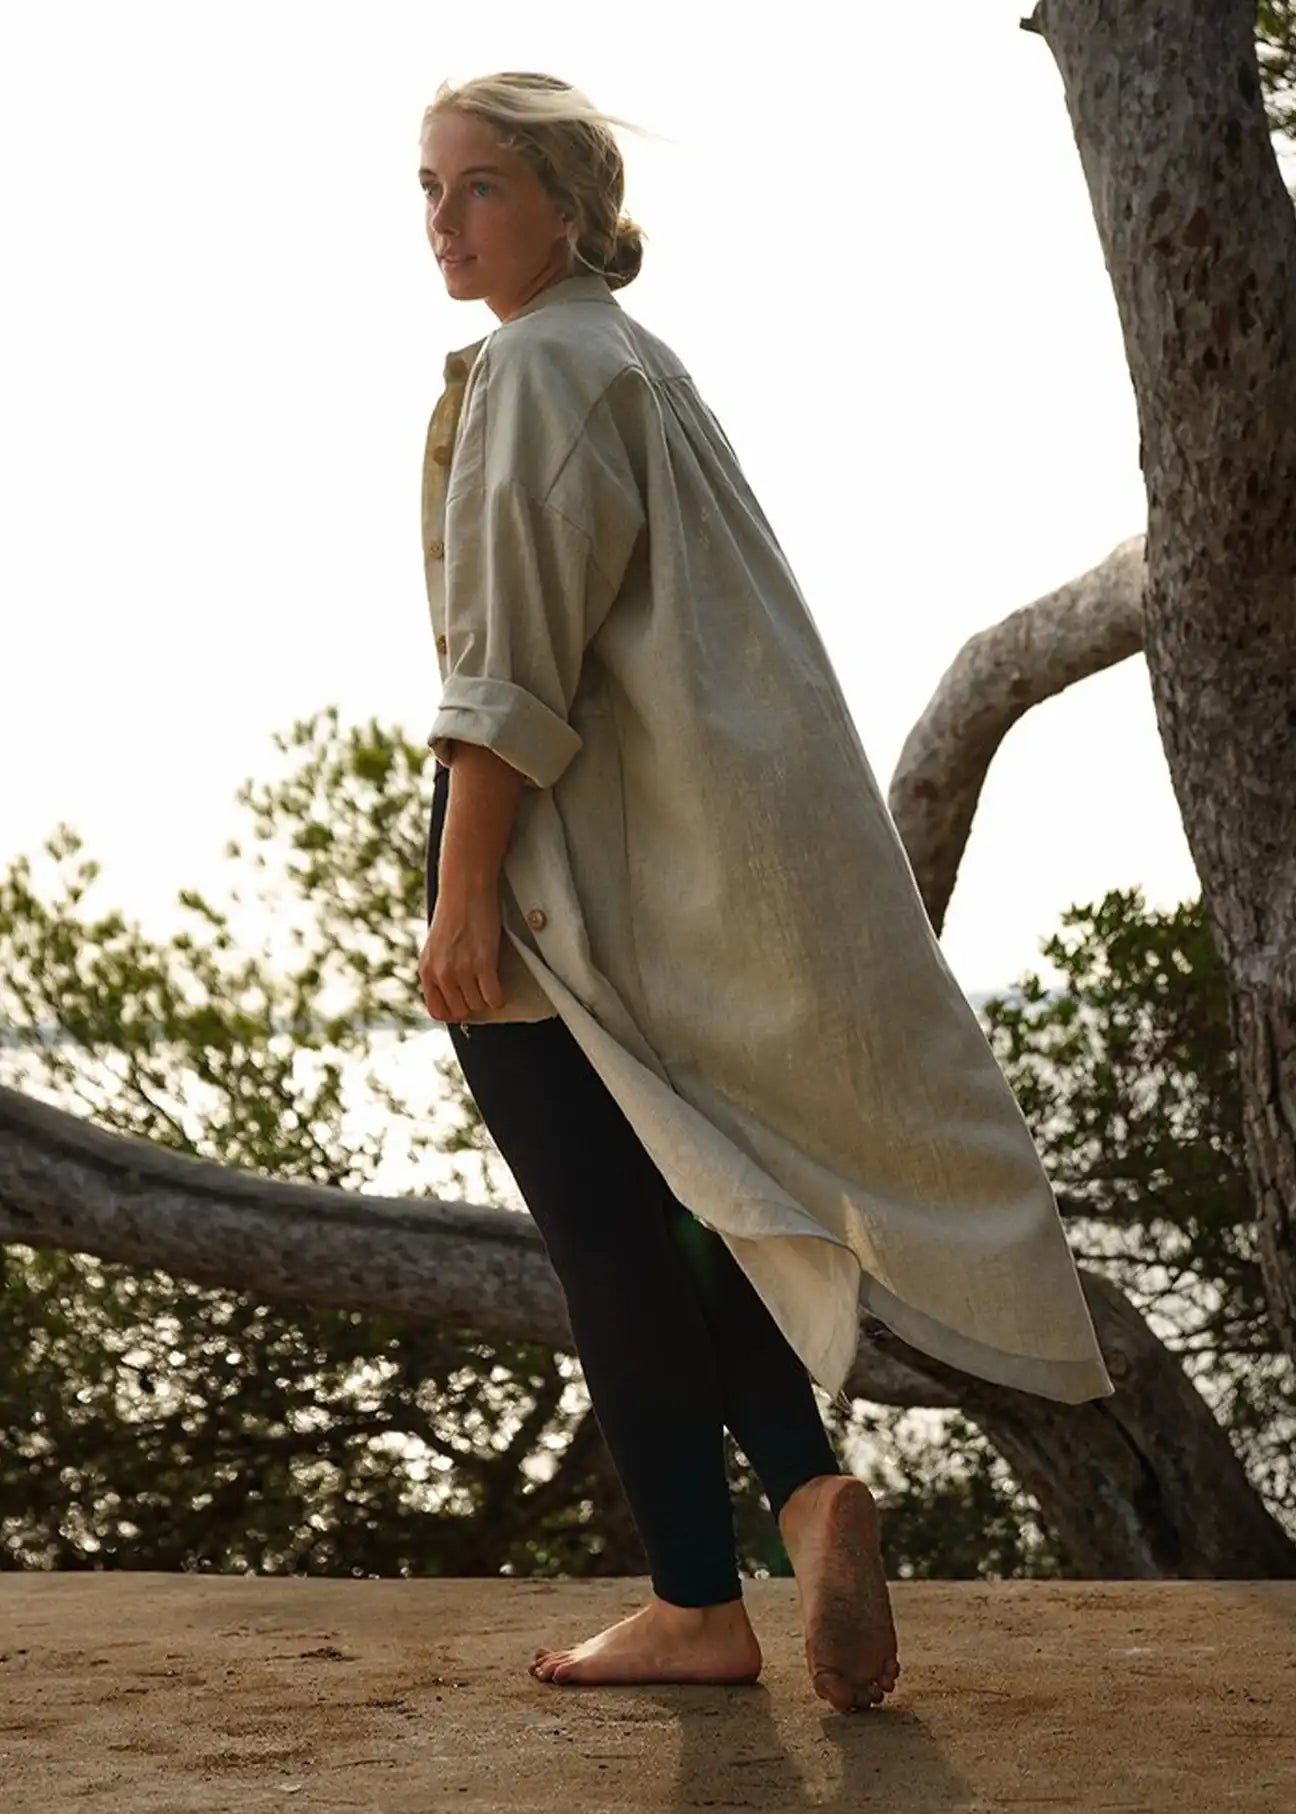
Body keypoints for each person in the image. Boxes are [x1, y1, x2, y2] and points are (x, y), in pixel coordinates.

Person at [414, 71, 1113, 1711]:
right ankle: (803, 1497)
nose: (444, 222)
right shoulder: (635, 361)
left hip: (553, 865)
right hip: (661, 864)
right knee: (665, 1214)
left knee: (607, 1237)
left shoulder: (539, 368)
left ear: (570, 205)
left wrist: (460, 887)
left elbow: (509, 673)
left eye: (481, 187)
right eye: (427, 190)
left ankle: (695, 1603)